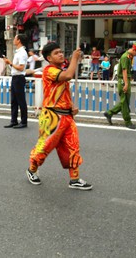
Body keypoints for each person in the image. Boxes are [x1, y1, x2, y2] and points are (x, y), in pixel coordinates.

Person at [26, 42, 91, 190]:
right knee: (44, 147)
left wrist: (71, 107)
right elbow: (68, 75)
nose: (61, 54)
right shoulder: (49, 70)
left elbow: (63, 93)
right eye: (56, 53)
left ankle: (74, 179)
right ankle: (32, 170)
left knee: (73, 147)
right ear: (49, 58)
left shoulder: (59, 69)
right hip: (52, 117)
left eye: (61, 52)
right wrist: (75, 58)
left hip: (66, 117)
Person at [103, 43, 136, 129]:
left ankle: (109, 113)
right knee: (125, 103)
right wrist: (126, 84)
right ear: (133, 50)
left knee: (124, 102)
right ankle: (128, 122)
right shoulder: (125, 57)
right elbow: (124, 71)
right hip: (123, 81)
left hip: (125, 80)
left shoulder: (129, 56)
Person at [4, 34, 28, 129]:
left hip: (19, 78)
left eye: (15, 38)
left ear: (19, 40)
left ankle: (24, 121)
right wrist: (10, 63)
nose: (14, 40)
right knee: (14, 100)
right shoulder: (18, 52)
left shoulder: (22, 52)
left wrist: (10, 63)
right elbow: (16, 67)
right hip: (15, 77)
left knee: (21, 100)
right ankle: (14, 120)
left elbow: (21, 68)